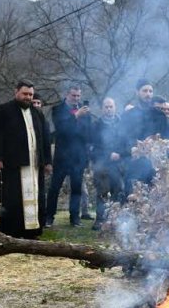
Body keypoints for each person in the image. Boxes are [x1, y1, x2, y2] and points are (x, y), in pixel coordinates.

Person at [0, 81, 53, 239]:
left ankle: (32, 230)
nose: (28, 97)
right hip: (13, 164)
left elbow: (45, 139)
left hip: (34, 165)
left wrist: (48, 162)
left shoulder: (37, 113)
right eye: (25, 94)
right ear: (16, 92)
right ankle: (12, 231)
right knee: (13, 198)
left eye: (30, 95)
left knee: (36, 197)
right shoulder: (4, 110)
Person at [45, 85, 92, 227]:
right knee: (54, 188)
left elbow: (87, 133)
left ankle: (75, 218)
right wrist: (76, 116)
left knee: (76, 189)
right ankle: (49, 217)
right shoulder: (57, 110)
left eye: (78, 96)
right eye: (73, 96)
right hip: (62, 156)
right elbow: (61, 128)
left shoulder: (86, 113)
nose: (76, 99)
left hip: (78, 157)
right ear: (67, 94)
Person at [90, 98, 125, 230]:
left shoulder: (122, 124)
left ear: (115, 108)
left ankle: (116, 220)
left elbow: (127, 143)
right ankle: (100, 220)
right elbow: (92, 147)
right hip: (102, 165)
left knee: (118, 192)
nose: (108, 109)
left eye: (111, 107)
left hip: (118, 165)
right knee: (102, 192)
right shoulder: (96, 125)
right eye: (106, 107)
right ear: (102, 109)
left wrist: (120, 153)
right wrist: (107, 154)